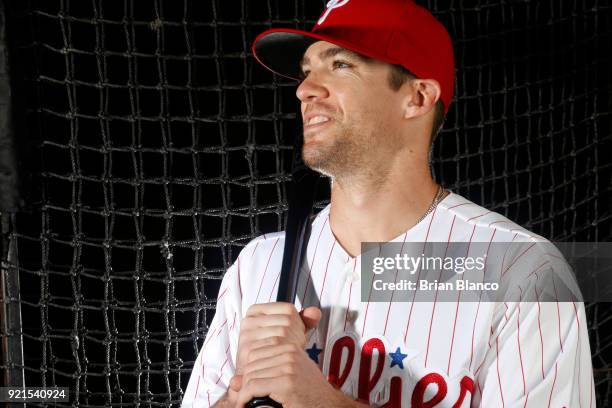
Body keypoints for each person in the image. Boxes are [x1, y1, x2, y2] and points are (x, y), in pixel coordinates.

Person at [182, 0, 594, 406]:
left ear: (416, 98)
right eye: (308, 72)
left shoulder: (523, 271)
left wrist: (322, 403)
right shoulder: (258, 265)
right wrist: (237, 397)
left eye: (340, 65)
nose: (304, 90)